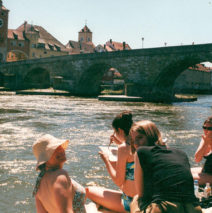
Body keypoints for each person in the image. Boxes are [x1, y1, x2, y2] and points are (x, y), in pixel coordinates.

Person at [130, 120, 202, 213]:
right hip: (193, 208)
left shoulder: (141, 152)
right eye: (133, 140)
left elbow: (141, 194)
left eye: (140, 138)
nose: (135, 143)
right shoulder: (181, 153)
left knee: (136, 200)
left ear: (150, 136)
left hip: (165, 208)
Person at [86, 111, 136, 213]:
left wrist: (106, 160)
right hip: (145, 199)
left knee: (88, 191)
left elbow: (118, 181)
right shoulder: (141, 144)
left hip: (131, 204)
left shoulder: (123, 148)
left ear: (120, 131)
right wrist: (119, 143)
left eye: (115, 132)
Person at [32, 134, 86, 213]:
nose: (61, 149)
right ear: (45, 159)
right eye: (54, 149)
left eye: (59, 146)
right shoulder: (60, 176)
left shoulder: (39, 183)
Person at [191, 116, 212, 185]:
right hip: (206, 170)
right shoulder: (204, 139)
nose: (206, 131)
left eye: (209, 128)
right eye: (204, 127)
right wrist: (205, 144)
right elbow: (197, 159)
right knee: (183, 172)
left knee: (186, 177)